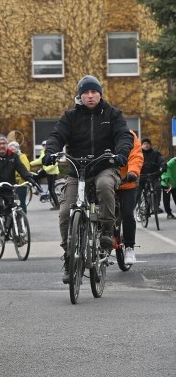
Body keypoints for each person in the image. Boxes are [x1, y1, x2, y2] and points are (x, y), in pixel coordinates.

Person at [41, 75, 132, 284]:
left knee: (105, 185)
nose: (90, 96)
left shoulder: (113, 114)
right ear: (80, 96)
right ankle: (69, 255)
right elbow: (57, 136)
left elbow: (123, 136)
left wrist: (121, 154)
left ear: (100, 94)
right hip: (76, 170)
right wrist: (51, 151)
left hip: (104, 167)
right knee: (65, 211)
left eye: (94, 92)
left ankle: (107, 229)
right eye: (86, 93)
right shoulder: (70, 117)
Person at [0, 135, 38, 232]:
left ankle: (19, 232)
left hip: (9, 187)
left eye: (4, 143)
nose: (2, 146)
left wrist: (29, 178)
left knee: (14, 209)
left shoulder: (14, 156)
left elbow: (21, 168)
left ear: (7, 145)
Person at [117, 131, 143, 265]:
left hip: (127, 181)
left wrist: (132, 172)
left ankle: (129, 247)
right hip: (106, 180)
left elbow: (136, 156)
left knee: (127, 213)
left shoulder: (129, 134)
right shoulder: (100, 130)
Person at [140, 137, 166, 215]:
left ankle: (156, 206)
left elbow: (161, 160)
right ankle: (139, 208)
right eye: (144, 144)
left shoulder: (156, 153)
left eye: (147, 143)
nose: (146, 145)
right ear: (141, 145)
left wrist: (163, 166)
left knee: (158, 187)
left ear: (150, 145)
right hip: (142, 176)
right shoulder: (138, 153)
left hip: (154, 175)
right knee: (137, 192)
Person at [8, 140, 33, 213]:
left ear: (17, 149)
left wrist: (16, 175)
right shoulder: (9, 157)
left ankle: (23, 217)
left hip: (21, 183)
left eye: (13, 149)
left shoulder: (22, 157)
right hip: (12, 183)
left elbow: (25, 168)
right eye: (10, 149)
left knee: (21, 202)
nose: (12, 150)